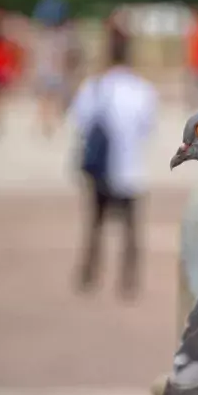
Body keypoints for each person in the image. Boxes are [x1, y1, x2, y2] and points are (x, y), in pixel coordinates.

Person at [70, 21, 157, 299]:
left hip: (101, 167)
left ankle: (89, 273)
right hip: (131, 167)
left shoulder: (95, 87)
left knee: (95, 223)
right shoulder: (142, 89)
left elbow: (81, 123)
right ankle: (128, 280)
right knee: (131, 228)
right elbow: (147, 128)